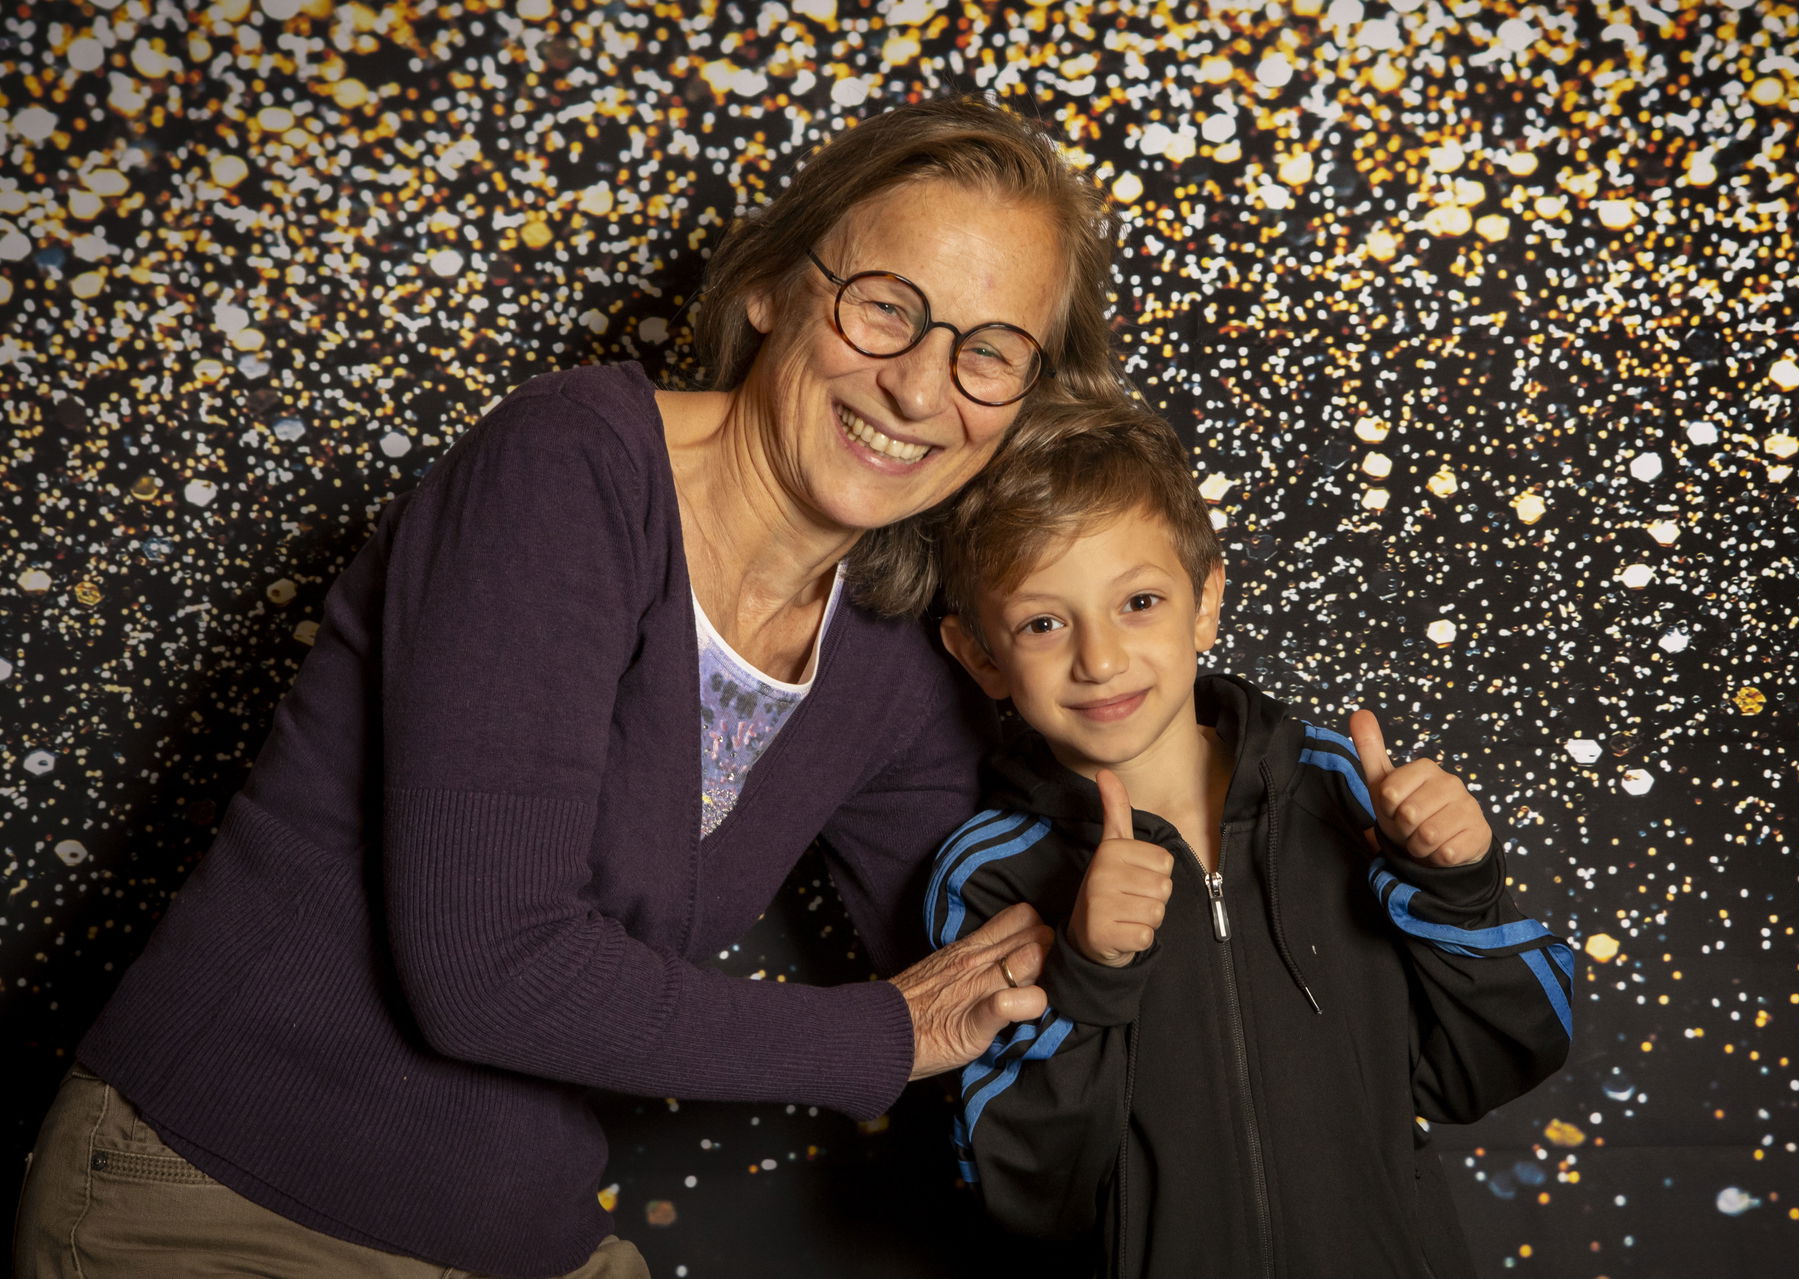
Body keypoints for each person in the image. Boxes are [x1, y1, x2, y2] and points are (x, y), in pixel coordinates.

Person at [14, 95, 1123, 1279]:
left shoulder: (895, 652)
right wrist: (886, 1033)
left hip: (506, 1235)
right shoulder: (570, 468)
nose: (918, 387)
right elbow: (490, 968)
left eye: (989, 351)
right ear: (769, 286)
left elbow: (1023, 925)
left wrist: (1288, 836)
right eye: (886, 307)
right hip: (218, 1203)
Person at [927, 397, 1575, 1278]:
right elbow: (1026, 1192)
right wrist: (1088, 975)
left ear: (1205, 603)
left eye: (1140, 601)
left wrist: (1459, 887)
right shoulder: (992, 873)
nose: (1101, 658)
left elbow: (1494, 1063)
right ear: (981, 657)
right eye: (1044, 622)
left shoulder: (1346, 794)